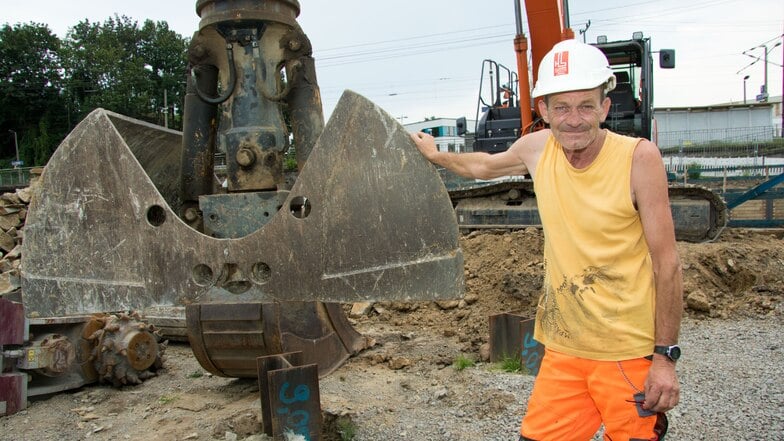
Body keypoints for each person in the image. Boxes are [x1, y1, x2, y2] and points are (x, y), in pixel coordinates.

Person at [411, 38, 682, 441]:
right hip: (564, 350)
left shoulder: (638, 158)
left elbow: (668, 264)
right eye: (562, 107)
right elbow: (484, 165)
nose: (574, 119)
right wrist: (437, 157)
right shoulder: (538, 148)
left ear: (605, 108)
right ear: (544, 110)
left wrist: (664, 358)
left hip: (626, 351)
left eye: (586, 106)